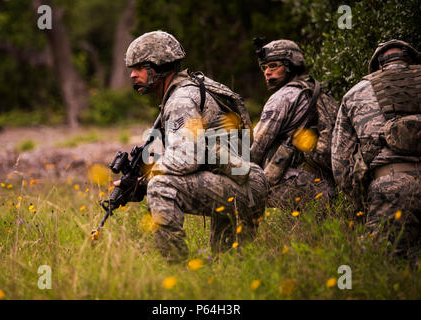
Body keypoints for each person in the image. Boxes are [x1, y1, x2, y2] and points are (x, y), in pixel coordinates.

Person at [124, 30, 267, 262]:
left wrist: (146, 177)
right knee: (228, 265)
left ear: (158, 67)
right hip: (242, 181)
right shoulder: (190, 88)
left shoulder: (181, 99)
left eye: (139, 67)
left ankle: (176, 270)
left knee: (160, 186)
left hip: (241, 183)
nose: (132, 75)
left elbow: (187, 157)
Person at [332, 39, 421, 261]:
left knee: (389, 266)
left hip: (390, 187)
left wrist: (358, 203)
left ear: (377, 65)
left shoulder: (355, 93)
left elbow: (339, 163)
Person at [250, 39, 337, 211]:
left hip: (298, 184)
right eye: (264, 67)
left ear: (290, 65)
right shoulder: (318, 93)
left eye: (273, 66)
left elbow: (257, 150)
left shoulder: (283, 97)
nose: (267, 72)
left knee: (234, 190)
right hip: (328, 186)